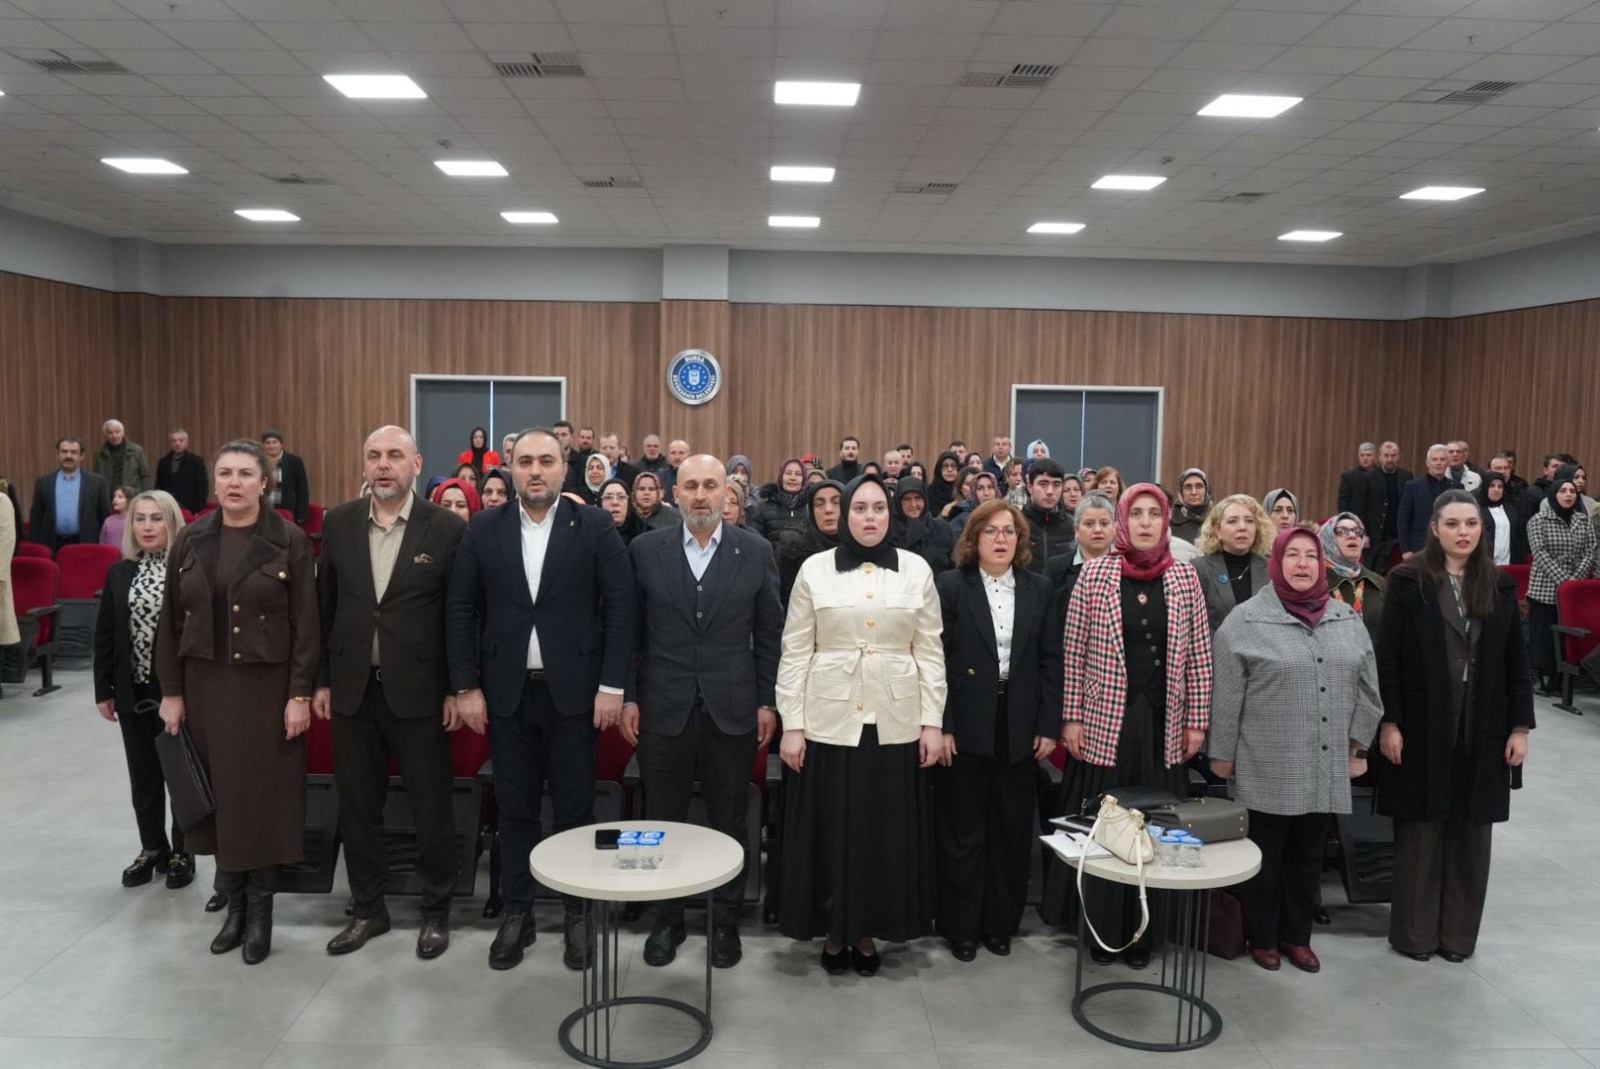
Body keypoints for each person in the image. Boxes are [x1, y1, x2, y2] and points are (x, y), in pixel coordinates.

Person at [445, 427, 636, 972]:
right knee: (515, 808)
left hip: (575, 696)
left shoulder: (594, 525)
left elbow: (621, 608)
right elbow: (460, 609)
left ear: (563, 468)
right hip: (506, 694)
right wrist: (466, 686)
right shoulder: (485, 527)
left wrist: (612, 687)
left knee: (575, 809)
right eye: (525, 461)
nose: (535, 470)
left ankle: (577, 913)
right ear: (510, 466)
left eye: (546, 461)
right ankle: (518, 911)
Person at [155, 439, 320, 965]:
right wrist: (171, 692)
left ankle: (261, 912)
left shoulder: (288, 539)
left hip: (267, 692)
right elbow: (170, 622)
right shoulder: (191, 538)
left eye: (246, 474)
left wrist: (299, 694)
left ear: (264, 482)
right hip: (205, 689)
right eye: (225, 473)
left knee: (263, 801)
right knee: (220, 799)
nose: (234, 482)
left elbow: (307, 626)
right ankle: (235, 907)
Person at [776, 474, 947, 976]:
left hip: (895, 720)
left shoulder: (916, 569)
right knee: (833, 831)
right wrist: (792, 724)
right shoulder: (814, 570)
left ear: (890, 515)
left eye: (878, 508)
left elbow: (931, 652)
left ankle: (869, 929)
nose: (869, 517)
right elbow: (795, 650)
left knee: (882, 834)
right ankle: (834, 929)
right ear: (844, 514)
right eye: (859, 508)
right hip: (828, 720)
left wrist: (932, 722)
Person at [620, 455, 782, 969]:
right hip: (661, 707)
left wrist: (767, 701)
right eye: (690, 485)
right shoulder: (645, 551)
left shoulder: (755, 551)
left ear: (726, 493)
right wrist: (628, 696)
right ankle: (667, 921)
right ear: (676, 493)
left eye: (710, 485)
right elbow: (628, 634)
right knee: (663, 819)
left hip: (732, 708)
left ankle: (724, 921)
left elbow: (770, 635)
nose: (700, 495)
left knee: (727, 820)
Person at [314, 427, 468, 960]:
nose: (384, 465)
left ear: (416, 463)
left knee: (430, 807)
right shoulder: (338, 523)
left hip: (422, 693)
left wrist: (457, 688)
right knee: (358, 808)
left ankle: (436, 911)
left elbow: (458, 617)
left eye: (395, 455)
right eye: (374, 456)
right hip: (352, 689)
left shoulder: (446, 527)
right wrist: (321, 680)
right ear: (364, 464)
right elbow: (324, 606)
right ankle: (368, 908)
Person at [1208, 527, 1383, 973]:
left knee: (1308, 856)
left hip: (1326, 760)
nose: (1302, 564)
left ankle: (1297, 937)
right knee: (1265, 856)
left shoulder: (1346, 619)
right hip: (1265, 760)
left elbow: (1369, 690)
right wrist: (1221, 755)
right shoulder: (1245, 621)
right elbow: (1225, 696)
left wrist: (1358, 747)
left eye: (1310, 556)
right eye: (1292, 555)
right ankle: (1263, 937)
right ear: (1276, 562)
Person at [1374, 490, 1533, 963]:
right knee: (1421, 833)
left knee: (1471, 836)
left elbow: (1516, 662)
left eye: (1471, 523)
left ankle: (1458, 938)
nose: (1463, 532)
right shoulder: (1408, 581)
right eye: (1452, 524)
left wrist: (1519, 728)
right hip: (1422, 724)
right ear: (1434, 529)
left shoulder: (1498, 585)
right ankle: (1415, 936)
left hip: (1482, 727)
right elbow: (1388, 659)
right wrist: (1390, 721)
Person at [1055, 483, 1210, 968]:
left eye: (1153, 514)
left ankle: (1146, 933)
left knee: (1156, 826)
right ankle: (1103, 927)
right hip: (1106, 721)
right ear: (1123, 521)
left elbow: (1200, 655)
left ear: (1166, 521)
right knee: (1107, 826)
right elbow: (1073, 653)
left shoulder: (1185, 577)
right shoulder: (1095, 574)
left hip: (1165, 721)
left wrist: (1197, 722)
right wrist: (1072, 717)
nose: (1145, 522)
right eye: (1136, 514)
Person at [934, 499, 1060, 961]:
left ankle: (999, 923)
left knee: (1010, 829)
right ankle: (961, 926)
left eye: (1009, 531)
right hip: (966, 720)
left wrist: (1048, 723)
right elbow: (937, 660)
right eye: (990, 531)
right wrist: (943, 725)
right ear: (973, 539)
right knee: (964, 829)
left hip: (1020, 722)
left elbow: (1050, 660)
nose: (1001, 539)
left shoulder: (1038, 587)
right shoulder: (951, 586)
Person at [94, 490, 194, 892]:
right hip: (132, 689)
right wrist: (103, 689)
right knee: (143, 774)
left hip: (177, 692)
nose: (148, 527)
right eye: (140, 519)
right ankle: (152, 847)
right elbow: (105, 634)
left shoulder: (187, 570)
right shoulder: (119, 573)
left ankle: (183, 850)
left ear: (172, 523)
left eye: (156, 518)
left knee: (179, 773)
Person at [1524, 465, 1596, 692]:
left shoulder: (1583, 521)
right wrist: (1565, 581)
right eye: (1563, 491)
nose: (1568, 495)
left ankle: (1560, 676)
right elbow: (1540, 553)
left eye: (1572, 491)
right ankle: (1538, 674)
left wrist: (1574, 581)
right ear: (1554, 495)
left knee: (1566, 636)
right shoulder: (1539, 520)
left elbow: (1590, 551)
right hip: (1545, 587)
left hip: (1574, 588)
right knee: (1543, 635)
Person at [1192, 494, 1274, 632]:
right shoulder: (1199, 569)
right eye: (1232, 521)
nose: (1242, 527)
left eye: (1249, 521)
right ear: (1217, 531)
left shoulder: (1271, 569)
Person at [31, 436, 112, 553]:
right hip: (52, 545)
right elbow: (36, 518)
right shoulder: (43, 482)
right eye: (64, 451)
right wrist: (36, 547)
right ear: (57, 454)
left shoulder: (97, 482)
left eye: (73, 452)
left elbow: (104, 516)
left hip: (86, 544)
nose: (68, 456)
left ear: (82, 456)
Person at [1321, 513, 1387, 645]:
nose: (1352, 535)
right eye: (1341, 531)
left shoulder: (1378, 582)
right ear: (1328, 539)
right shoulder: (1317, 582)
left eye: (1358, 532)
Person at [777, 479, 844, 608]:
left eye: (837, 502)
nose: (828, 510)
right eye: (819, 504)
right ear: (811, 511)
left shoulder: (859, 548)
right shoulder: (794, 549)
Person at [1044, 491, 1115, 609]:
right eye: (1089, 524)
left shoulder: (1125, 568)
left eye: (1104, 523)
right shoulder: (1056, 568)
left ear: (1114, 528)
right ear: (1076, 530)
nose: (1098, 530)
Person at [1399, 445, 1459, 557]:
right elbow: (1403, 520)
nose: (1438, 463)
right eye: (1434, 459)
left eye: (1442, 459)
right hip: (1419, 547)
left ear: (1447, 463)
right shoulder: (1412, 487)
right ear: (1427, 462)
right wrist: (1406, 550)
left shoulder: (1456, 487)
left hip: (1449, 546)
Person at [1361, 441, 1413, 569]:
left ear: (1398, 456)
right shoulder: (1368, 478)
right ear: (1379, 457)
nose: (1390, 459)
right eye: (1386, 455)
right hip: (1375, 535)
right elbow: (1361, 508)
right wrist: (1363, 533)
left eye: (1393, 455)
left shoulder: (1407, 477)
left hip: (1397, 534)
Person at [891, 475, 954, 577]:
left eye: (918, 498)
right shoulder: (889, 531)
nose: (913, 504)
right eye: (907, 499)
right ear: (898, 501)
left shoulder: (941, 529)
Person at [1019, 458, 1072, 572]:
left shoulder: (1072, 527)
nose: (1050, 491)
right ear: (1030, 487)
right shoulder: (1016, 524)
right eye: (1043, 484)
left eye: (1056, 484)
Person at [749, 458, 810, 545]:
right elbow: (757, 541)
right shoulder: (764, 508)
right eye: (788, 473)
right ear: (781, 477)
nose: (792, 478)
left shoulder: (811, 508)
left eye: (798, 474)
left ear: (803, 479)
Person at [1476, 471, 1527, 566]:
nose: (1496, 490)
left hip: (1508, 565)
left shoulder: (1512, 510)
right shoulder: (1476, 510)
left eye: (1500, 486)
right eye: (1492, 486)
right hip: (1483, 566)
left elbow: (1519, 540)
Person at [260, 430, 310, 525]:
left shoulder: (294, 461)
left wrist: (302, 514)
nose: (271, 446)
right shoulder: (258, 461)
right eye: (267, 443)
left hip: (287, 509)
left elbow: (302, 489)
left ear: (281, 444)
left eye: (274, 442)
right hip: (264, 508)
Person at [156, 429, 208, 513]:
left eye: (181, 440)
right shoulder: (163, 462)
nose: (177, 443)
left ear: (186, 443)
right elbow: (158, 487)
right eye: (174, 441)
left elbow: (202, 487)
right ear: (170, 444)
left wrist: (200, 510)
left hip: (191, 508)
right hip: (168, 507)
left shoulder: (196, 461)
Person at [95, 419, 153, 493]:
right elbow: (96, 477)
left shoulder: (136, 450)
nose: (114, 436)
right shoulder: (100, 453)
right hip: (108, 494)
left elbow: (145, 475)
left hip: (132, 494)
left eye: (117, 432)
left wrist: (146, 494)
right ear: (106, 435)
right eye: (110, 433)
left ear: (123, 433)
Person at [597, 478, 645, 546]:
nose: (615, 502)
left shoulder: (644, 534)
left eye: (621, 497)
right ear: (600, 503)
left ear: (629, 503)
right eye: (608, 497)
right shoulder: (590, 535)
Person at [948, 470, 999, 535]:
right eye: (980, 488)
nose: (986, 493)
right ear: (973, 492)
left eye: (990, 487)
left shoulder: (1004, 513)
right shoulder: (963, 517)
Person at [1170, 468, 1211, 545]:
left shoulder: (1217, 520)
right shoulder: (1169, 520)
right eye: (1188, 487)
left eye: (1199, 486)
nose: (1193, 492)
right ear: (1181, 492)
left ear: (1207, 490)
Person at [1338, 443, 1376, 516]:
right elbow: (1343, 501)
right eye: (1362, 455)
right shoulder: (1349, 477)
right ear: (1358, 457)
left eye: (1368, 455)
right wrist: (1345, 518)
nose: (1365, 458)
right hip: (1355, 518)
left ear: (1374, 457)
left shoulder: (1380, 475)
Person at [928, 451, 961, 517]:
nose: (950, 470)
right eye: (945, 466)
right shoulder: (929, 492)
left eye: (953, 466)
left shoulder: (962, 491)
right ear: (939, 469)